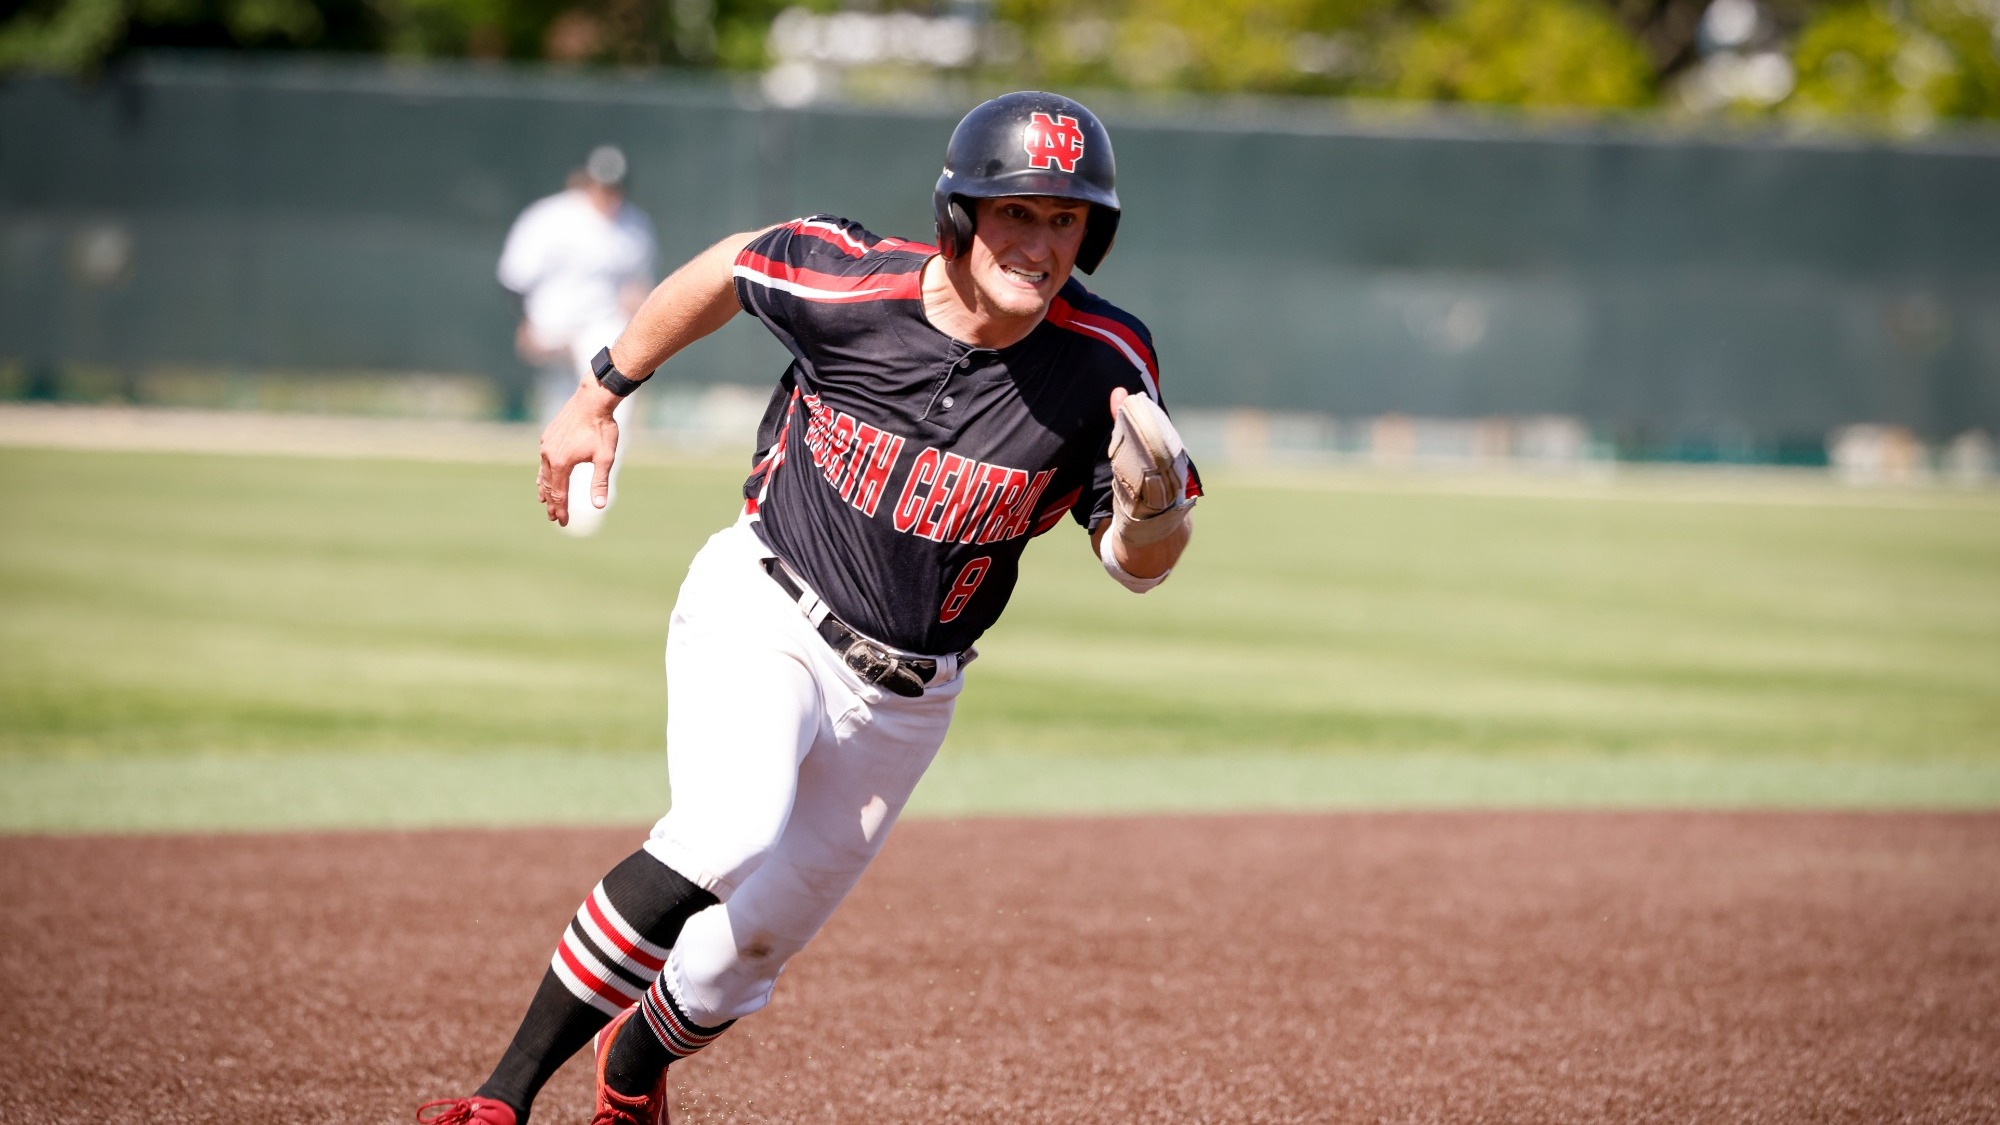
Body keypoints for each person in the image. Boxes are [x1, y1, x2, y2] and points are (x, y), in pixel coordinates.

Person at [417, 91, 1200, 1125]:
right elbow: (731, 265)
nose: (1040, 242)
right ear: (960, 214)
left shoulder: (1106, 360)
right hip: (768, 606)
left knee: (737, 965)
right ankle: (499, 1099)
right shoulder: (851, 282)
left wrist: (1153, 515)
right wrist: (599, 393)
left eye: (1065, 220)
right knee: (723, 831)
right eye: (1015, 211)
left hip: (909, 699)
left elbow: (1137, 564)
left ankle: (631, 1070)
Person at [497, 144, 657, 537]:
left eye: (615, 187)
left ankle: (594, 500)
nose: (607, 194)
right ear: (585, 181)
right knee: (559, 411)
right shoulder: (550, 218)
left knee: (614, 403)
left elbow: (639, 287)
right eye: (601, 185)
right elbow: (514, 277)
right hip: (552, 324)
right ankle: (556, 491)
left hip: (601, 329)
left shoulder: (634, 226)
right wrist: (526, 325)